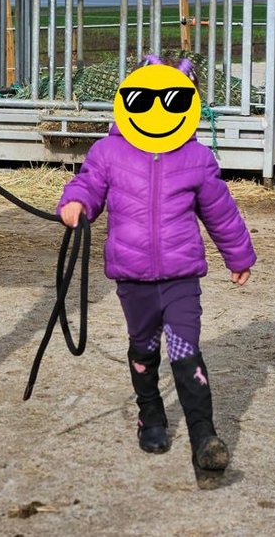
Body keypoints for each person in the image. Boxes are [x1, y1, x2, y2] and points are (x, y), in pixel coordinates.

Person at [57, 55, 256, 477]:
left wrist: (238, 255)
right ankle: (151, 414)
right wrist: (75, 203)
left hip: (182, 277)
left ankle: (205, 437)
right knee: (144, 350)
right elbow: (88, 184)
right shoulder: (108, 152)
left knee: (185, 351)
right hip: (133, 279)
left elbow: (221, 212)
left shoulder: (196, 158)